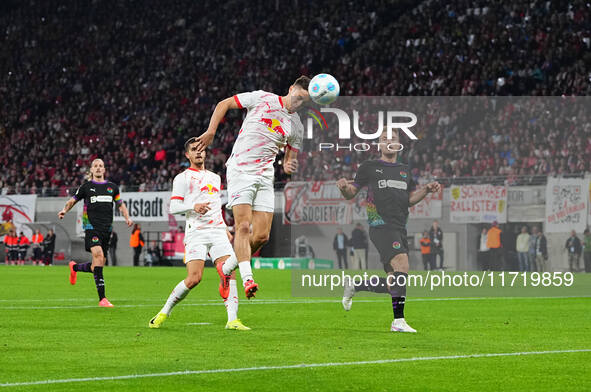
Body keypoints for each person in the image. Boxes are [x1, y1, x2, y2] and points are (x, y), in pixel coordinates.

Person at [195, 76, 311, 298]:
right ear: (290, 89)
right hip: (241, 170)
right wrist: (211, 131)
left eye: (303, 102)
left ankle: (226, 268)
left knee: (261, 237)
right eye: (297, 97)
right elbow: (224, 104)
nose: (298, 103)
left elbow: (288, 161)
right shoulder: (262, 99)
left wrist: (289, 165)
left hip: (265, 176)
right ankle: (248, 279)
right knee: (243, 227)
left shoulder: (296, 126)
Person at [337, 130, 441, 333]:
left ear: (399, 145)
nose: (389, 142)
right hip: (380, 225)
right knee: (403, 263)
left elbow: (409, 199)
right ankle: (398, 321)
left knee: (393, 282)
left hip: (400, 226)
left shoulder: (405, 170)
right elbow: (351, 193)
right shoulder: (369, 167)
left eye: (393, 139)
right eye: (384, 139)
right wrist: (343, 188)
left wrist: (426, 190)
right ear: (379, 145)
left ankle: (355, 286)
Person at [149, 140, 249, 330]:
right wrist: (192, 206)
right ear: (187, 155)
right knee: (195, 278)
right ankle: (165, 311)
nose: (199, 153)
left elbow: (215, 205)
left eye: (201, 150)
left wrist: (225, 228)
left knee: (229, 273)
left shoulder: (215, 178)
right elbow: (174, 207)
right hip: (196, 232)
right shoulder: (182, 178)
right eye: (194, 150)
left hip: (218, 231)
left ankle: (232, 320)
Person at [58, 158, 133, 307]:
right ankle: (102, 299)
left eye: (101, 166)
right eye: (95, 166)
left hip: (107, 230)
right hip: (91, 227)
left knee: (97, 265)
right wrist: (64, 210)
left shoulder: (113, 187)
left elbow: (120, 204)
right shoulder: (86, 187)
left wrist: (127, 217)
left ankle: (74, 267)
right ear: (91, 170)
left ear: (104, 170)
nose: (98, 168)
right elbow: (72, 200)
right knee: (98, 255)